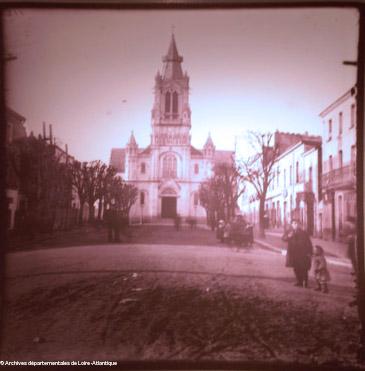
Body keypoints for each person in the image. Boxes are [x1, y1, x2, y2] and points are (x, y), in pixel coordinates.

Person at [282, 219, 313, 288]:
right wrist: (288, 236)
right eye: (293, 223)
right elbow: (283, 238)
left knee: (303, 268)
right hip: (293, 253)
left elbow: (308, 243)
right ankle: (299, 281)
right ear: (291, 225)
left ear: (299, 224)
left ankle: (305, 282)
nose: (295, 225)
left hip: (302, 253)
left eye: (296, 223)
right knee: (296, 268)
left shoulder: (303, 233)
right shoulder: (289, 232)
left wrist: (309, 252)